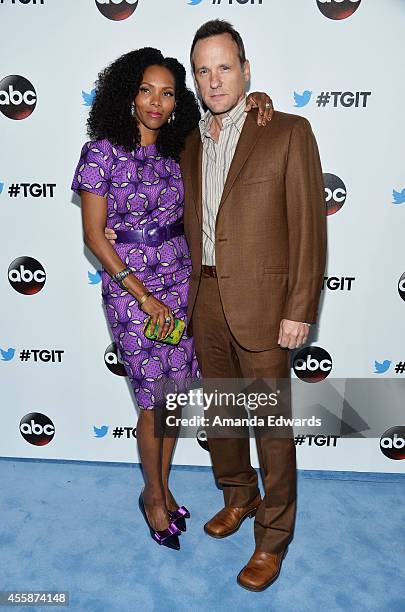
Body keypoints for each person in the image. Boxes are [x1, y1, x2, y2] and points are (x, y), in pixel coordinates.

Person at [72, 47, 273, 551]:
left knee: (174, 398)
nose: (156, 102)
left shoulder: (180, 146)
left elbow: (226, 129)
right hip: (131, 291)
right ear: (127, 95)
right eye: (146, 90)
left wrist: (258, 101)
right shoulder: (100, 153)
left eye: (167, 93)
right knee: (150, 402)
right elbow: (95, 236)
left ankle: (161, 486)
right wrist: (143, 297)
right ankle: (154, 498)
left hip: (182, 282)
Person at [181, 20, 327, 590]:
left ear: (246, 70)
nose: (214, 80)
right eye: (203, 70)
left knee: (270, 427)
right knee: (222, 417)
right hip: (204, 299)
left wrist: (300, 307)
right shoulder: (191, 140)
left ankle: (273, 538)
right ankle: (238, 498)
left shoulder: (287, 130)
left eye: (224, 67)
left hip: (266, 305)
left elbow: (309, 229)